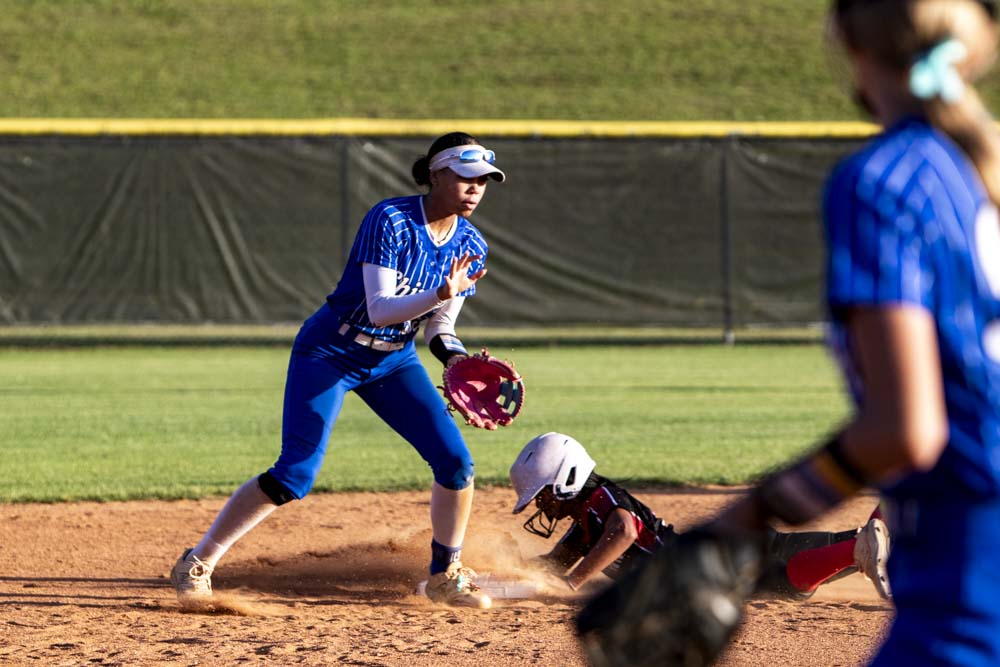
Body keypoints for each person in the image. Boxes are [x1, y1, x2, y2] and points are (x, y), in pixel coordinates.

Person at [582, 1, 1000, 665]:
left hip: (968, 570)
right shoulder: (980, 171)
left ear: (853, 49)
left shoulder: (887, 181)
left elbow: (905, 428)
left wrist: (743, 519)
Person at [170, 132, 507, 610]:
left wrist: (456, 360)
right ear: (436, 174)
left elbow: (440, 327)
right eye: (465, 176)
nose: (475, 188)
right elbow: (380, 308)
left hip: (394, 360)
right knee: (296, 473)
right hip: (330, 350)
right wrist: (438, 293)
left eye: (484, 181)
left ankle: (444, 575)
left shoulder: (471, 243)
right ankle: (198, 561)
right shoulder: (391, 219)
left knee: (455, 463)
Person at [510, 432, 891, 600]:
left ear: (567, 478)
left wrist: (574, 583)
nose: (542, 506)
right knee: (852, 547)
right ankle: (891, 516)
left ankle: (863, 544)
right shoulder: (586, 523)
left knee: (785, 583)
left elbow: (624, 531)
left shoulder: (601, 500)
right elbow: (553, 568)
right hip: (723, 551)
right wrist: (505, 570)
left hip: (711, 563)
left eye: (543, 495)